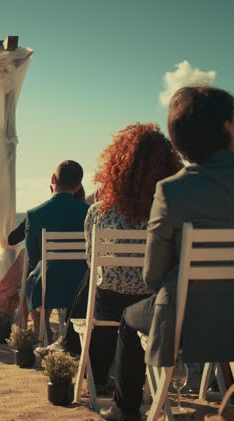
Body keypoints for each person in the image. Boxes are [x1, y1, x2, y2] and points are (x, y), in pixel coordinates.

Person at [100, 86, 234, 421]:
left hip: (192, 329)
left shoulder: (172, 190)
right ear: (226, 128)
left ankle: (127, 409)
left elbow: (153, 275)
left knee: (129, 319)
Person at [78, 123, 183, 392]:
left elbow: (92, 262)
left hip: (109, 307)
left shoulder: (99, 212)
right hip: (156, 305)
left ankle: (98, 378)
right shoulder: (171, 210)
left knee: (102, 291)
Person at [23, 160, 90, 336]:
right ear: (78, 187)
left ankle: (43, 328)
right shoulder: (91, 213)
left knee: (34, 279)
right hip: (83, 286)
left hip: (50, 286)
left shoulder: (35, 214)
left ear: (53, 179)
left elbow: (34, 258)